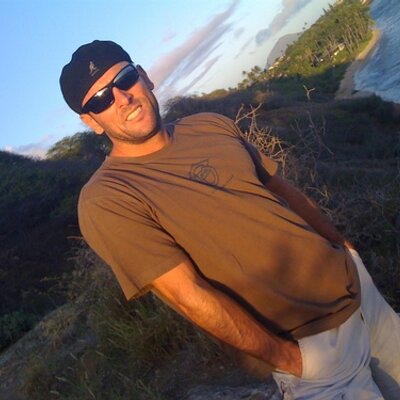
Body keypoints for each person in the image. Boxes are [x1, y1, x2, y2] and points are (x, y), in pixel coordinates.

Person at [59, 40, 400, 399]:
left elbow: (283, 191)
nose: (122, 98)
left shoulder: (209, 125)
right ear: (91, 121)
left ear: (144, 76)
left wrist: (345, 248)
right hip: (314, 352)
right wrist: (288, 359)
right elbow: (188, 295)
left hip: (360, 295)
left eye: (125, 79)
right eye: (100, 100)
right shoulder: (107, 198)